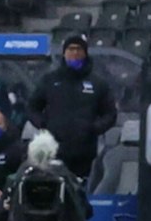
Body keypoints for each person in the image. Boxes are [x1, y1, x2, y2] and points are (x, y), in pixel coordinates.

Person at [27, 35, 118, 182]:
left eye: (79, 49)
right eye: (71, 49)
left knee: (82, 190)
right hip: (54, 150)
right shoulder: (50, 80)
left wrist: (94, 128)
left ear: (85, 53)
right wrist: (44, 124)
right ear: (64, 53)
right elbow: (32, 107)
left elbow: (110, 114)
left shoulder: (97, 83)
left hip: (85, 152)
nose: (75, 53)